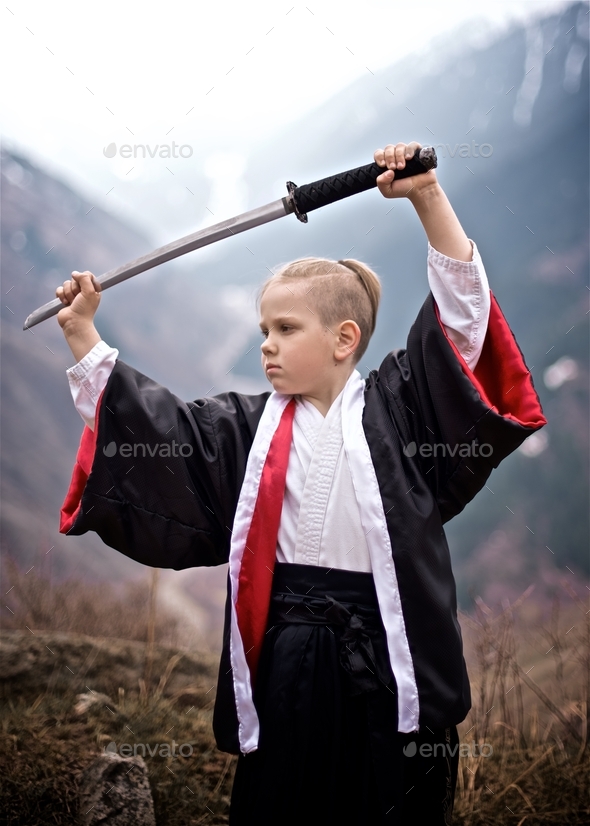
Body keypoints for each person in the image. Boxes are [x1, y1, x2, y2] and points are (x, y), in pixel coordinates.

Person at [55, 142, 546, 825]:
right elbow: (160, 434)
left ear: (344, 339)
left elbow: (463, 327)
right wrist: (83, 334)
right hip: (284, 658)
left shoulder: (403, 412)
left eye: (286, 328)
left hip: (386, 657)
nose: (267, 343)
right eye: (264, 329)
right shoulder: (242, 429)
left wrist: (428, 197)